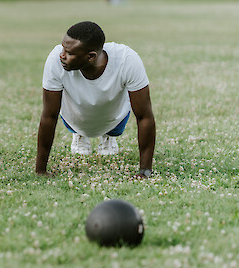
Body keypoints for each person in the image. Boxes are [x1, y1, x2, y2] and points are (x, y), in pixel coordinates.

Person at [35, 21, 155, 178]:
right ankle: (79, 133)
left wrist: (145, 171)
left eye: (69, 53)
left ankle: (109, 135)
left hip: (114, 116)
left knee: (117, 113)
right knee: (73, 116)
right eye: (63, 47)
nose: (61, 55)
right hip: (74, 115)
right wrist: (41, 170)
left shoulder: (127, 59)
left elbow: (145, 116)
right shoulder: (56, 60)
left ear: (90, 56)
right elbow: (49, 116)